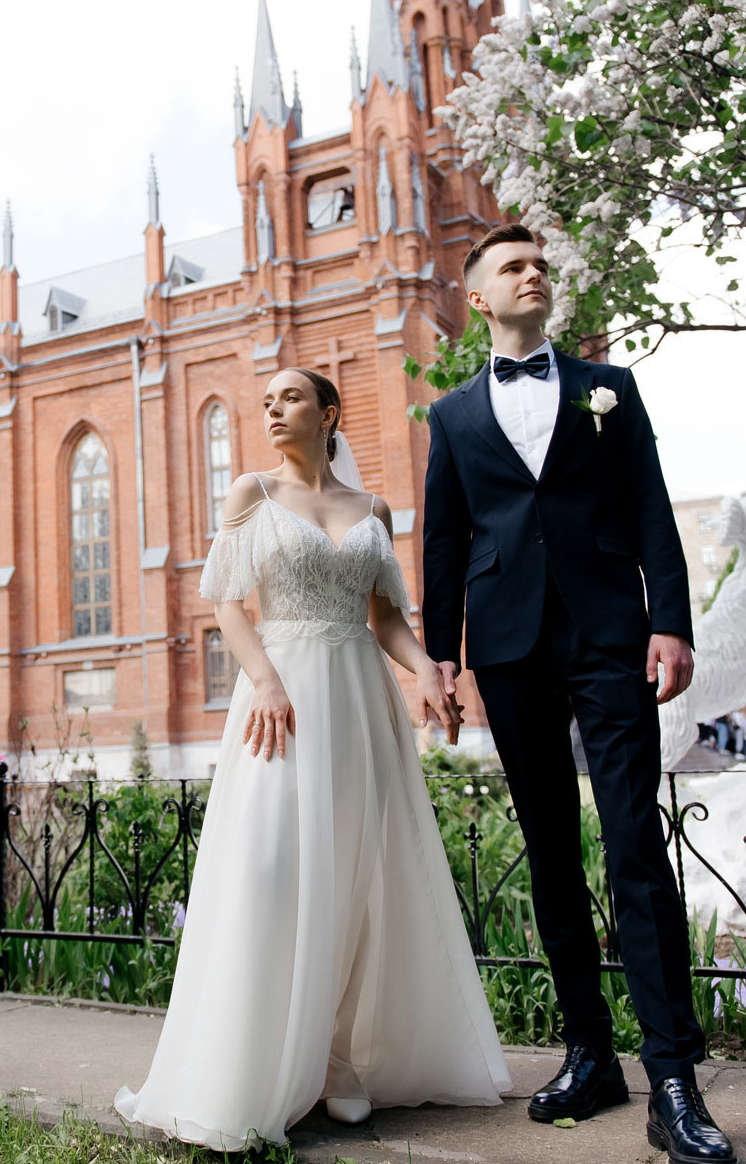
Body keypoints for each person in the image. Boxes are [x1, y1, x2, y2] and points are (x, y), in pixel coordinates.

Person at [115, 367, 509, 1149]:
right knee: (266, 868)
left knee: (353, 874)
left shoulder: (372, 508)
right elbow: (227, 599)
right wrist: (261, 678)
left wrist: (425, 668)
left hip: (358, 701)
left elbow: (386, 616)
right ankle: (249, 1059)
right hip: (280, 702)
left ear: (328, 413)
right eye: (266, 401)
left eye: (290, 397)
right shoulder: (251, 494)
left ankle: (334, 1058)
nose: (272, 408)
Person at [422, 223, 735, 1164]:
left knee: (635, 842)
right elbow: (442, 540)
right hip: (509, 646)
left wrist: (670, 621)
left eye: (541, 266)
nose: (534, 274)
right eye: (513, 267)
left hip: (609, 634)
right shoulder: (451, 416)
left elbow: (649, 502)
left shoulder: (612, 388)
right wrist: (442, 655)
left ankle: (673, 1077)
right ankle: (588, 1052)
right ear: (478, 296)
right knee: (553, 851)